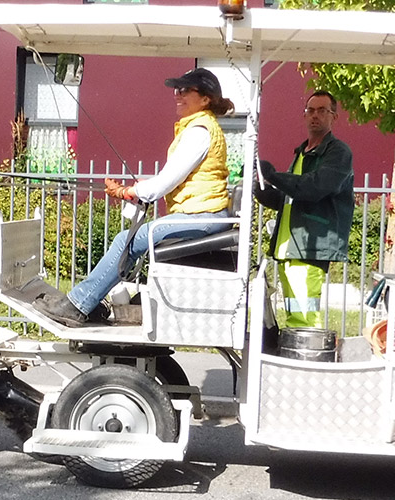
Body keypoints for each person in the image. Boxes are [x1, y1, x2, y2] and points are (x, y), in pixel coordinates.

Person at [33, 68, 237, 327]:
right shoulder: (198, 127)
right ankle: (90, 302)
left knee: (125, 242)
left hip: (204, 217)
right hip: (204, 214)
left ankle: (78, 305)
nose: (178, 95)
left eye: (185, 90)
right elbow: (174, 179)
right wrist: (138, 190)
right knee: (129, 241)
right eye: (177, 90)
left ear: (206, 98)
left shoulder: (199, 131)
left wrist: (128, 191)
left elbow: (165, 181)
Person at [255, 90, 354, 329]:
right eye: (310, 110)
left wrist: (274, 176)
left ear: (334, 117)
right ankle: (298, 350)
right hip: (290, 248)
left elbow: (314, 188)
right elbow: (285, 199)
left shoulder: (338, 153)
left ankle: (307, 355)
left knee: (305, 316)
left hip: (309, 246)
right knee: (294, 313)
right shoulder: (303, 152)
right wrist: (258, 186)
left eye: (322, 111)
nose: (315, 116)